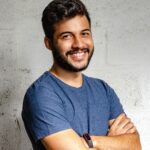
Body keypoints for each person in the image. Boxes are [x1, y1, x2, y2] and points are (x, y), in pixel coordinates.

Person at [22, 0, 141, 149]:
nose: (78, 44)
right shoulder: (41, 95)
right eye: (66, 36)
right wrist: (113, 142)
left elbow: (135, 145)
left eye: (84, 33)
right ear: (49, 43)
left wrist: (92, 142)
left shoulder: (103, 90)